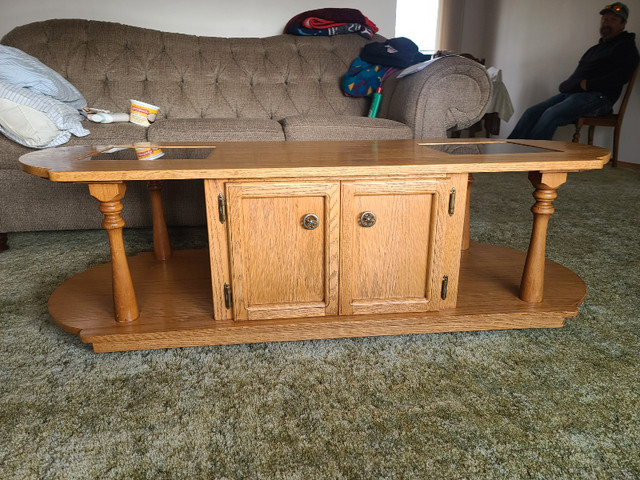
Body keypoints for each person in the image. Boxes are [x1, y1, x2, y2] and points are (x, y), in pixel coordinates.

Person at [508, 2, 639, 140]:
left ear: (623, 25)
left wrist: (586, 84)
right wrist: (568, 85)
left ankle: (534, 157)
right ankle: (509, 153)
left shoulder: (627, 47)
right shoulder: (594, 50)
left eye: (613, 20)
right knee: (531, 112)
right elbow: (577, 75)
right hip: (574, 95)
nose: (607, 23)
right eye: (604, 19)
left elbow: (621, 77)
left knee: (551, 114)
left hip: (599, 99)